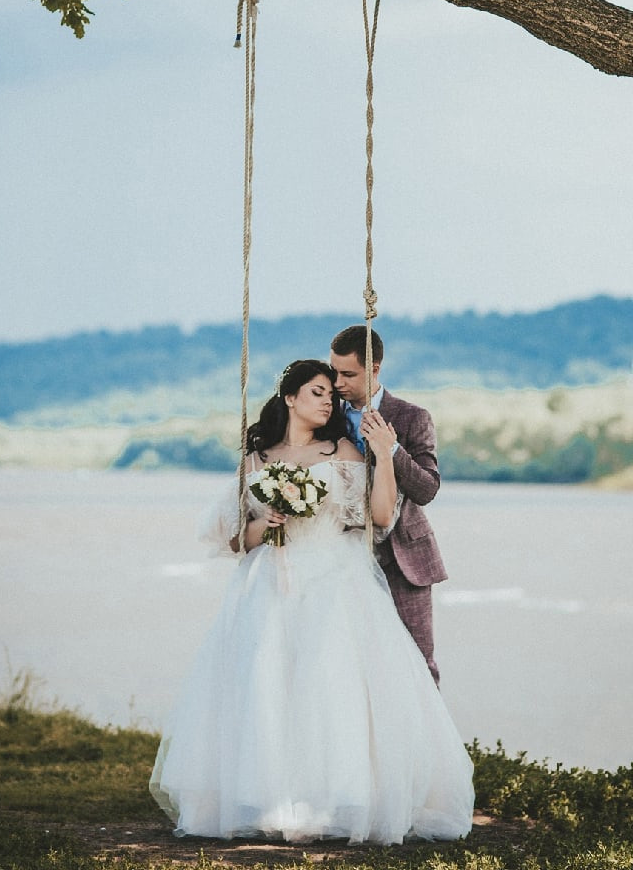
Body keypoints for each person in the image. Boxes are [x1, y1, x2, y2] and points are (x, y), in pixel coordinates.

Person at [149, 359, 474, 845]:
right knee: (269, 684)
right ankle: (271, 795)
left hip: (335, 579)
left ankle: (334, 799)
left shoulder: (343, 449)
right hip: (269, 585)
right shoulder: (259, 457)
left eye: (331, 393)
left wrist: (385, 456)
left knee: (330, 685)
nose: (330, 401)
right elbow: (234, 535)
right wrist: (267, 523)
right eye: (319, 392)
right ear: (290, 397)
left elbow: (380, 516)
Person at [329, 326, 446, 683]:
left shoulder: (413, 417)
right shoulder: (325, 415)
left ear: (375, 368)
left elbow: (427, 489)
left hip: (402, 561)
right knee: (353, 667)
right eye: (333, 371)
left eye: (348, 374)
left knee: (418, 665)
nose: (337, 382)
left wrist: (390, 449)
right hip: (343, 558)